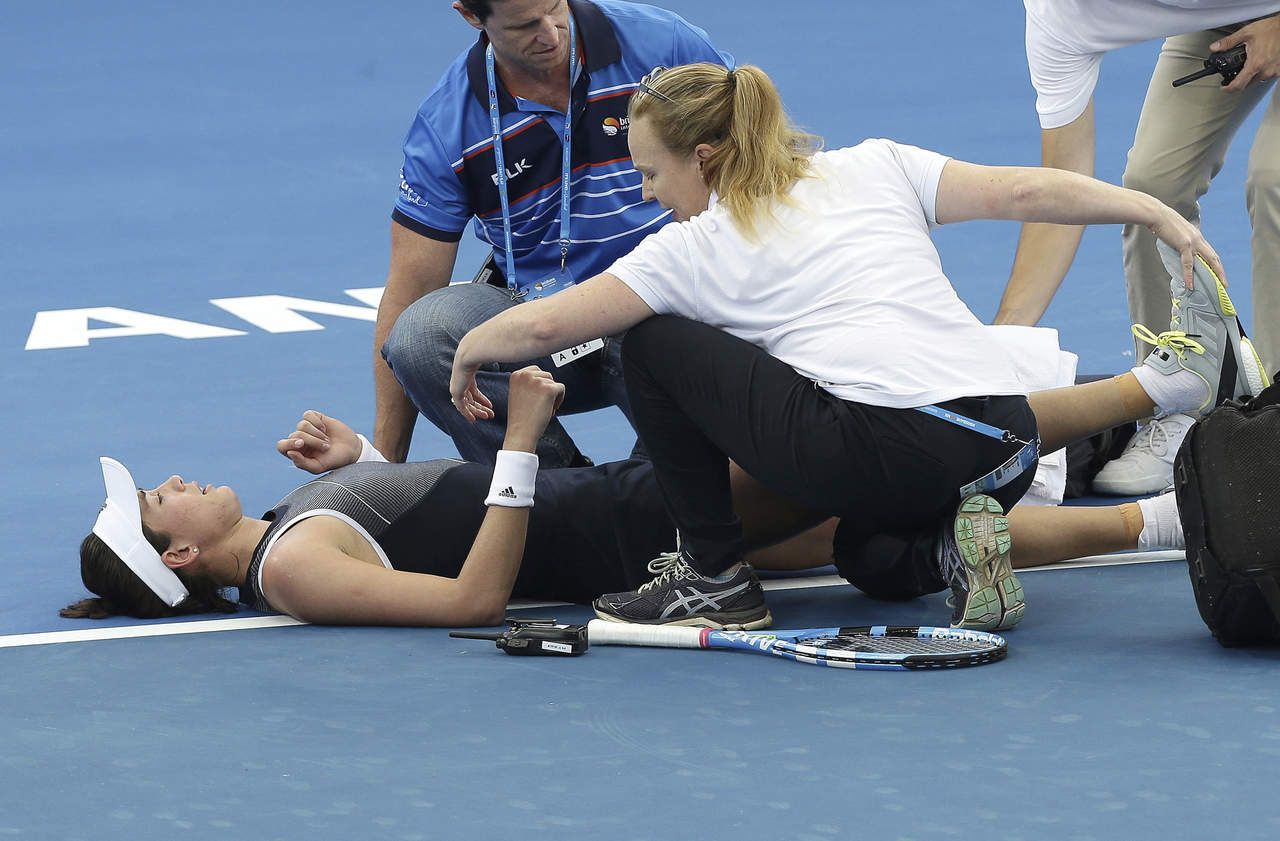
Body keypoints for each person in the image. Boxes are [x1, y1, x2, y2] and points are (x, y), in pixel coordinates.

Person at [448, 62, 1267, 632]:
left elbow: (553, 324)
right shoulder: (877, 165)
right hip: (1010, 441)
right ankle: (948, 544)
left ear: (703, 159)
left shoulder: (690, 249)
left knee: (650, 342)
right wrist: (1150, 210)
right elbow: (1022, 189)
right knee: (863, 552)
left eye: (652, 175)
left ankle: (714, 578)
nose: (649, 196)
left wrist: (466, 346)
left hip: (885, 444)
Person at [62, 360, 1192, 629]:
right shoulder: (294, 568)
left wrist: (364, 453)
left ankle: (1160, 515)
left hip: (618, 502)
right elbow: (469, 601)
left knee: (899, 531)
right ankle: (1156, 388)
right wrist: (515, 443)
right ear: (177, 562)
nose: (171, 482)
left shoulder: (291, 520)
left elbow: (432, 515)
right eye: (158, 505)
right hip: (635, 524)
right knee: (887, 432)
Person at [374, 0, 732, 471]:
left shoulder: (664, 47)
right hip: (547, 319)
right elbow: (409, 291)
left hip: (672, 305)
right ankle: (558, 502)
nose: (550, 35)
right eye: (522, 26)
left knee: (683, 492)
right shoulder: (447, 125)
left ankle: (665, 498)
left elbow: (755, 166)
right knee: (421, 339)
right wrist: (382, 467)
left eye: (556, 9)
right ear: (471, 17)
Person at [982, 0, 1279, 494]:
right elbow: (1063, 188)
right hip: (1227, 12)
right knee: (1149, 191)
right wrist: (999, 345)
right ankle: (1181, 396)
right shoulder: (1056, 10)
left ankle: (1275, 418)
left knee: (1274, 181)